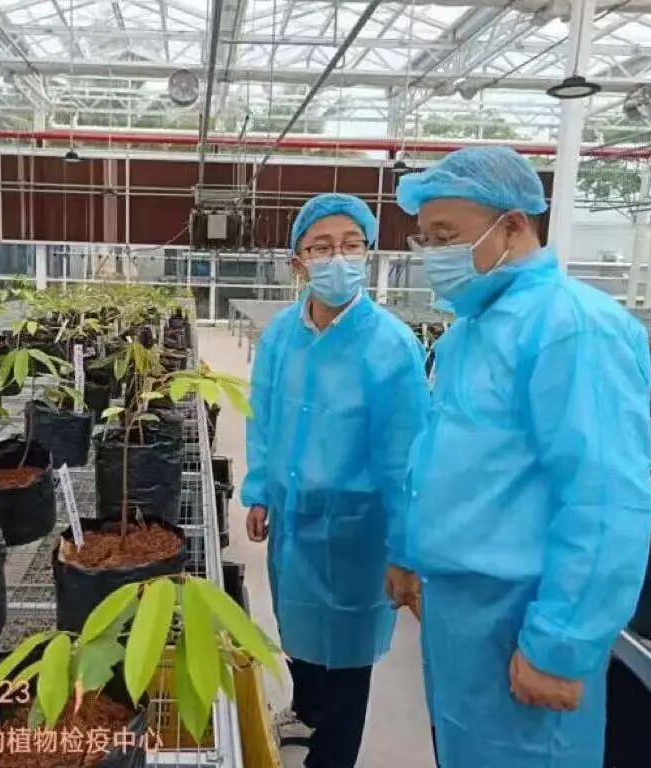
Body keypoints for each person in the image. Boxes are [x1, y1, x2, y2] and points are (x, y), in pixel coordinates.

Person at [386, 146, 651, 768]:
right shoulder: (472, 330)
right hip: (462, 611)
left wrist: (560, 642)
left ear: (512, 225)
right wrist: (409, 551)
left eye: (447, 236)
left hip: (522, 614)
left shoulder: (572, 327)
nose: (434, 254)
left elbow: (603, 498)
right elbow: (441, 458)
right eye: (426, 239)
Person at [242, 193, 429, 768]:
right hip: (294, 519)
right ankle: (305, 711)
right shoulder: (281, 335)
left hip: (358, 532)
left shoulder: (391, 344)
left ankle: (333, 753)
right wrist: (258, 489)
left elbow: (407, 459)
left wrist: (404, 549)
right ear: (297, 261)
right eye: (321, 247)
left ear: (369, 254)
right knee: (297, 627)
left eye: (351, 245)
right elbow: (262, 417)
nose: (337, 258)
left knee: (347, 658)